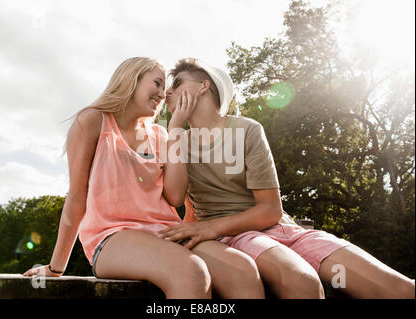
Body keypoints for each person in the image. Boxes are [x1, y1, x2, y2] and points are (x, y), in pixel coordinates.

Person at [158, 57, 416, 299]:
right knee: (301, 281)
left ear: (204, 86)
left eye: (177, 83)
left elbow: (270, 210)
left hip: (284, 229)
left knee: (400, 289)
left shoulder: (247, 129)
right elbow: (179, 198)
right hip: (234, 237)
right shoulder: (175, 140)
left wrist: (207, 228)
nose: (167, 92)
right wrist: (175, 130)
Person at [22, 57, 265, 299]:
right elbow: (77, 198)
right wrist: (56, 268)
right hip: (112, 236)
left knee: (242, 269)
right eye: (157, 83)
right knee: (190, 271)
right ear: (131, 80)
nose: (162, 94)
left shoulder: (161, 134)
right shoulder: (93, 121)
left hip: (166, 232)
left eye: (165, 87)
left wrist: (176, 129)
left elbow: (176, 196)